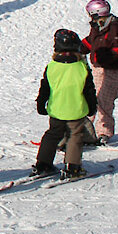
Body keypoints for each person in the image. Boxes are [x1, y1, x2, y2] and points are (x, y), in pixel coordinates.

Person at [32, 29, 98, 179]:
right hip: (76, 109)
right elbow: (89, 90)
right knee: (75, 136)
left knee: (52, 135)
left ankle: (43, 164)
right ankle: (72, 167)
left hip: (57, 109)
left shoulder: (52, 66)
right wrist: (92, 106)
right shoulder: (82, 67)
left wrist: (41, 104)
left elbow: (45, 88)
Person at [79, 0, 118, 145]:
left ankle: (104, 133)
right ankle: (84, 131)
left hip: (114, 71)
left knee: (103, 102)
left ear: (96, 13)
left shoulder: (115, 28)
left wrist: (104, 58)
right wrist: (77, 47)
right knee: (90, 98)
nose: (90, 18)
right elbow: (91, 41)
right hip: (100, 68)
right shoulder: (98, 26)